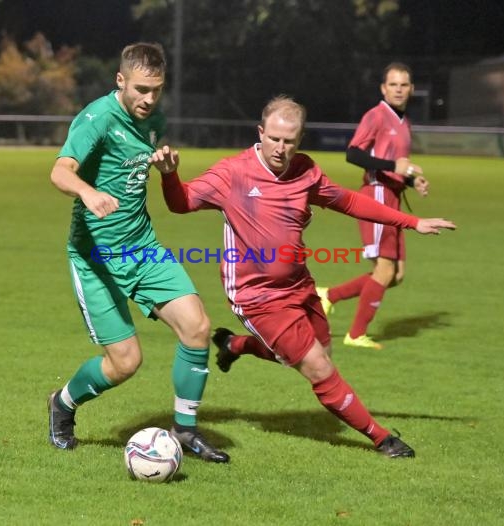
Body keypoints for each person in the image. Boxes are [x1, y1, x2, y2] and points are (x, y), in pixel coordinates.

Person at [151, 95, 455, 458]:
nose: (281, 148)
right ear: (261, 133)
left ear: (299, 140)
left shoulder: (306, 172)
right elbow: (181, 203)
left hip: (299, 284)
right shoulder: (233, 172)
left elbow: (348, 201)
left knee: (316, 353)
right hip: (256, 295)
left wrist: (412, 221)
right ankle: (382, 438)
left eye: (289, 141)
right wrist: (170, 175)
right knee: (317, 365)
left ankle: (236, 345)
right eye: (274, 139)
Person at [47, 42, 228, 463]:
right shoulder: (96, 118)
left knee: (198, 328)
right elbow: (60, 170)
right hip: (96, 259)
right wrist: (88, 192)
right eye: (141, 89)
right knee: (126, 362)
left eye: (157, 90)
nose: (149, 99)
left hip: (143, 248)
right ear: (121, 81)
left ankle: (184, 431)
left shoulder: (154, 120)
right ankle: (63, 403)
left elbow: (138, 172)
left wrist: (167, 170)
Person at [316, 62, 429, 350]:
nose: (399, 89)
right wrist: (393, 166)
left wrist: (413, 182)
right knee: (385, 270)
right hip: (376, 196)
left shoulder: (405, 122)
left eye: (404, 84)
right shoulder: (376, 116)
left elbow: (399, 168)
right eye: (393, 84)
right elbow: (353, 153)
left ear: (412, 89)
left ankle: (329, 295)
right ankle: (355, 335)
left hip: (393, 196)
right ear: (383, 88)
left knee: (396, 275)